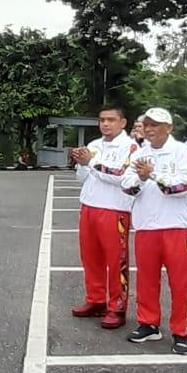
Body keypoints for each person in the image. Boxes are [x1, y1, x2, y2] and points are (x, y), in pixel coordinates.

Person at [121, 108, 187, 353]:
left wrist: (152, 174)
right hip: (146, 225)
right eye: (147, 124)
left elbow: (186, 185)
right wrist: (141, 180)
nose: (150, 129)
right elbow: (126, 185)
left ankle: (181, 330)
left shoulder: (183, 151)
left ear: (169, 128)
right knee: (147, 279)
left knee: (180, 281)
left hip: (175, 225)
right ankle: (148, 323)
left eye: (156, 125)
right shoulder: (139, 154)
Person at [69, 107, 137, 330]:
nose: (106, 124)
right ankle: (96, 299)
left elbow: (121, 177)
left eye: (111, 120)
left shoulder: (131, 147)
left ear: (123, 122)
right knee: (90, 257)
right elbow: (83, 177)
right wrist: (80, 162)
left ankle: (117, 307)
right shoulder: (94, 145)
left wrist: (91, 163)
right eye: (102, 120)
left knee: (116, 261)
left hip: (114, 209)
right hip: (89, 206)